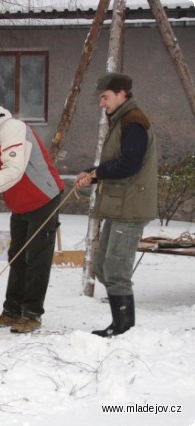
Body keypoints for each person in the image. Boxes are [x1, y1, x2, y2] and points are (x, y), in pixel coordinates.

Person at [0, 103, 65, 333]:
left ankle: (31, 314)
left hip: (44, 198)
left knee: (36, 257)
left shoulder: (13, 129)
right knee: (16, 256)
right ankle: (12, 310)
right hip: (20, 204)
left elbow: (13, 169)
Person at [75, 72, 157, 337]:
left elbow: (129, 164)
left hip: (130, 206)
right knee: (101, 266)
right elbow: (118, 161)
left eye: (105, 97)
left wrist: (97, 173)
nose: (102, 103)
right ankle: (120, 323)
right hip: (119, 204)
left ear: (121, 93)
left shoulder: (134, 122)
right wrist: (92, 172)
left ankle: (123, 328)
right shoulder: (122, 119)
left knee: (116, 269)